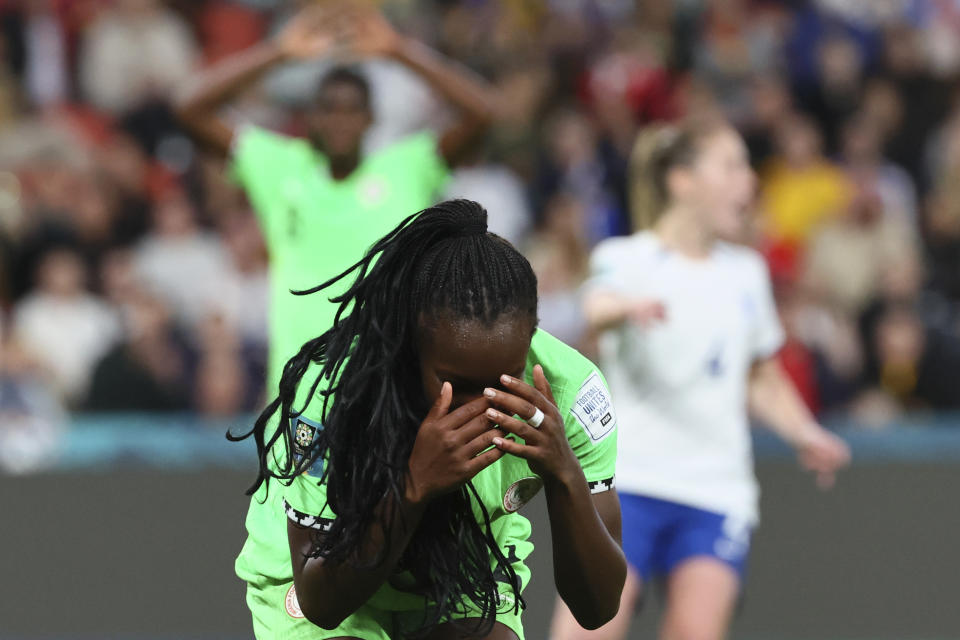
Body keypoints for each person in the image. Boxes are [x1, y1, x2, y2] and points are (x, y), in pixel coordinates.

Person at [230, 200, 626, 639]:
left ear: (532, 335)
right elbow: (322, 603)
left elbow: (598, 608)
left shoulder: (572, 394)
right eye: (454, 382)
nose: (481, 406)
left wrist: (563, 472)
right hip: (326, 582)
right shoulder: (332, 390)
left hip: (462, 571)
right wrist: (413, 486)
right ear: (413, 343)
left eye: (504, 380)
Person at [550, 119, 851, 640]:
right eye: (732, 165)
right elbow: (596, 307)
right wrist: (623, 307)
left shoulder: (747, 273)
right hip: (631, 483)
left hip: (716, 492)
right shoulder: (627, 258)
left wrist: (806, 433)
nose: (749, 182)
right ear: (682, 181)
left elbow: (761, 377)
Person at [175, 3, 494, 390]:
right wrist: (279, 53)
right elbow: (190, 108)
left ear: (370, 118)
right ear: (311, 118)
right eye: (329, 109)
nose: (340, 120)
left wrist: (398, 51)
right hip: (298, 394)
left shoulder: (405, 167)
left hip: (384, 389)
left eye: (352, 109)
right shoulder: (281, 167)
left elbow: (483, 113)